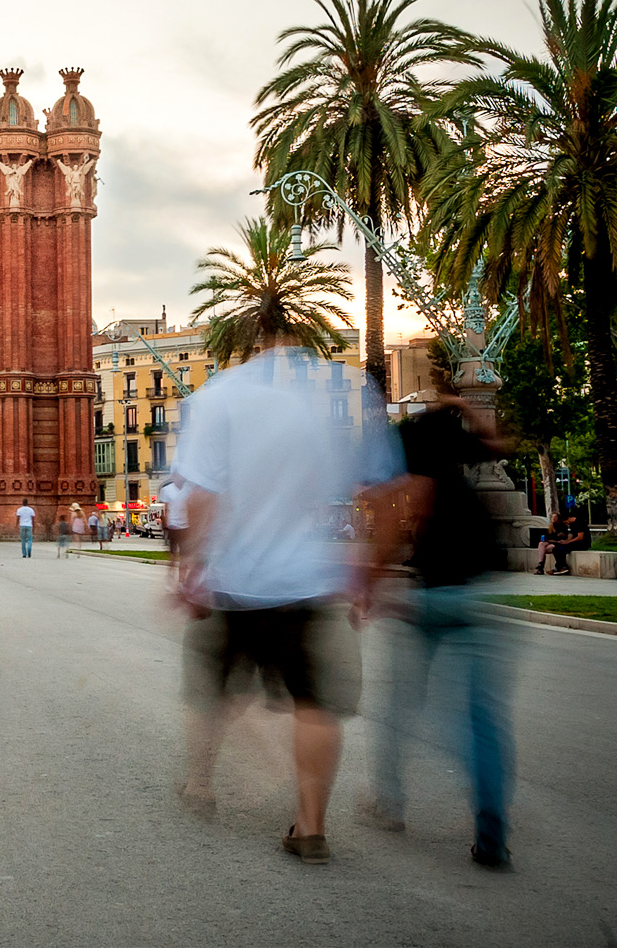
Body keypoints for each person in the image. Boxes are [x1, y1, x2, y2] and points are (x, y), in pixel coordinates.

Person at [169, 302, 402, 864]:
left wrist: (190, 570)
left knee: (217, 692)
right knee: (316, 705)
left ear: (252, 341)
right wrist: (370, 570)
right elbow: (387, 494)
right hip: (312, 581)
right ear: (307, 340)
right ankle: (310, 826)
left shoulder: (217, 396)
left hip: (236, 579)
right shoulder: (348, 389)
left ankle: (199, 785)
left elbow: (200, 496)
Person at [361, 395, 517, 870]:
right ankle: (492, 833)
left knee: (400, 704)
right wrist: (464, 407)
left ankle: (387, 802)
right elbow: (501, 444)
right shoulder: (456, 452)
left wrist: (371, 578)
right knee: (481, 721)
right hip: (476, 587)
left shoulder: (407, 445)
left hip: (433, 594)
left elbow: (407, 503)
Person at [538, 499, 589, 575]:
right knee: (556, 549)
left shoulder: (579, 522)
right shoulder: (572, 525)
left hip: (582, 543)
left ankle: (561, 567)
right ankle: (560, 567)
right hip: (575, 542)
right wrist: (565, 541)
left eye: (565, 522)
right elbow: (571, 535)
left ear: (568, 518)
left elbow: (580, 537)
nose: (566, 524)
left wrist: (568, 542)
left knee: (561, 549)